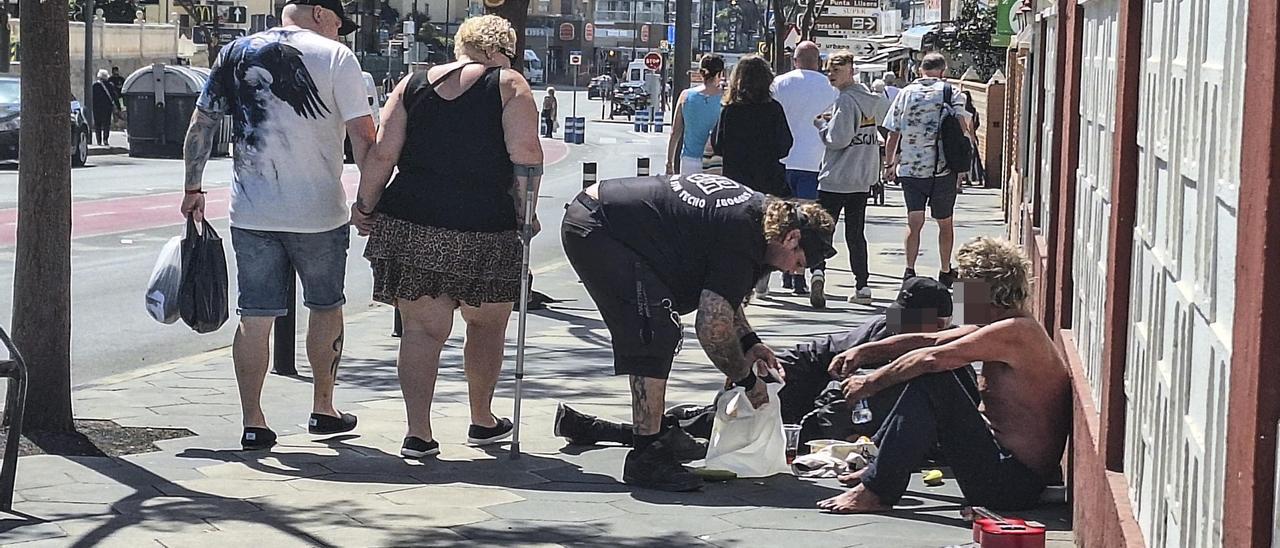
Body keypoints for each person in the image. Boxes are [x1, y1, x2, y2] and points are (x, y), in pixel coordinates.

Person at [180, 0, 377, 451]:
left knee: (255, 315)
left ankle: (253, 421)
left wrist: (193, 187)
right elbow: (363, 137)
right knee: (326, 306)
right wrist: (371, 202)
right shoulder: (336, 57)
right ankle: (323, 409)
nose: (338, 32)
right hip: (319, 212)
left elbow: (203, 122)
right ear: (320, 14)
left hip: (252, 211)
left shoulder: (234, 51)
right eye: (338, 24)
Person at [560, 173, 835, 491]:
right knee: (654, 330)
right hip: (599, 227)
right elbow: (712, 328)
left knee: (660, 321)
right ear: (791, 238)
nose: (793, 271)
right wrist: (748, 382)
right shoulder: (745, 232)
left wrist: (749, 341)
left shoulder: (761, 222)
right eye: (799, 263)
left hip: (613, 218)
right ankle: (645, 457)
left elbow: (723, 294)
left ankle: (654, 435)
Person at [350, 15, 542, 459]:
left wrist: (365, 206)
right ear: (502, 50)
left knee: (421, 330)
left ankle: (418, 433)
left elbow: (383, 154)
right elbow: (526, 157)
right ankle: (482, 418)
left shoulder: (412, 83)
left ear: (462, 46)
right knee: (487, 324)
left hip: (412, 220)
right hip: (484, 225)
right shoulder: (509, 85)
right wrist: (526, 213)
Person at [816, 237, 1071, 513]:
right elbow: (932, 341)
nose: (957, 297)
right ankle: (878, 466)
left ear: (984, 290)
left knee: (934, 378)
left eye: (961, 288)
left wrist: (869, 383)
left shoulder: (1016, 332)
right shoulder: (1002, 324)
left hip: (1010, 484)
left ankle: (877, 490)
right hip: (1003, 466)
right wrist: (864, 352)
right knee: (949, 368)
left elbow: (930, 358)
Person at [552, 276, 955, 450]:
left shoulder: (943, 361)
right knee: (722, 417)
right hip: (811, 400)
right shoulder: (881, 329)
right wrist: (768, 371)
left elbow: (855, 406)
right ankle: (618, 430)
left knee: (711, 438)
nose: (894, 327)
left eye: (907, 321)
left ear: (937, 325)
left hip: (828, 425)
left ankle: (605, 430)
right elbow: (823, 352)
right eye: (894, 317)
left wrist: (802, 425)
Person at [882, 52, 971, 287]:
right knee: (945, 223)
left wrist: (889, 163)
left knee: (914, 222)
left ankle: (909, 271)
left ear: (920, 70)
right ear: (943, 71)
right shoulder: (951, 92)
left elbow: (893, 132)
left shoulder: (905, 93)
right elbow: (963, 128)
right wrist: (963, 165)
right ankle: (944, 270)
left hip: (911, 169)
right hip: (942, 169)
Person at [811, 51, 890, 308]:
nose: (831, 75)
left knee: (823, 229)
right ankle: (862, 284)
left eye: (836, 70)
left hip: (836, 177)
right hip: (861, 177)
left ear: (851, 70)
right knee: (856, 233)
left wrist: (822, 127)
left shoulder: (845, 101)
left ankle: (818, 272)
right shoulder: (872, 100)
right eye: (829, 71)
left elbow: (838, 139)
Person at [713, 55, 794, 300]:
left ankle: (741, 281)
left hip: (737, 181)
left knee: (738, 233)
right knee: (767, 229)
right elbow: (785, 146)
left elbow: (718, 145)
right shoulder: (773, 109)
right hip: (768, 180)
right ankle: (761, 279)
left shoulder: (730, 110)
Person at [770, 41, 837, 297]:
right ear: (818, 62)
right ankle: (810, 272)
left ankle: (786, 272)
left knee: (785, 220)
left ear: (794, 60)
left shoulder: (779, 84)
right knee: (810, 221)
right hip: (815, 162)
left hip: (784, 162)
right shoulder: (830, 87)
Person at [665, 54, 724, 176]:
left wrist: (669, 162)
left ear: (701, 73)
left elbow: (675, 132)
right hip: (716, 161)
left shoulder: (685, 96)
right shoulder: (725, 99)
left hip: (689, 160)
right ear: (720, 74)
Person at [91, 69, 116, 146]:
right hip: (107, 108)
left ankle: (99, 140)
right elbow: (115, 97)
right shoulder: (110, 85)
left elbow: (92, 97)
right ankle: (105, 139)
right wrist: (118, 107)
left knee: (97, 124)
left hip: (96, 108)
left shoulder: (95, 85)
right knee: (106, 124)